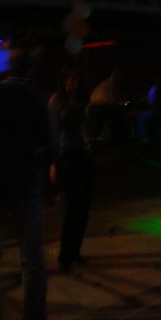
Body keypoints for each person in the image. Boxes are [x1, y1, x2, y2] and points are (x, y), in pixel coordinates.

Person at [0, 40, 56, 320]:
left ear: (7, 67)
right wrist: (34, 163)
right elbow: (51, 147)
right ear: (29, 68)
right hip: (26, 186)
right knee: (32, 260)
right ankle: (33, 315)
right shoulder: (37, 97)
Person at [48, 61, 94, 273]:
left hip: (84, 155)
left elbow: (90, 127)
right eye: (67, 77)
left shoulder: (86, 100)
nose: (70, 82)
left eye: (74, 77)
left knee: (83, 207)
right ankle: (65, 256)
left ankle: (74, 251)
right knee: (73, 206)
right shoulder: (56, 101)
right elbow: (52, 133)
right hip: (66, 156)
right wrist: (53, 163)